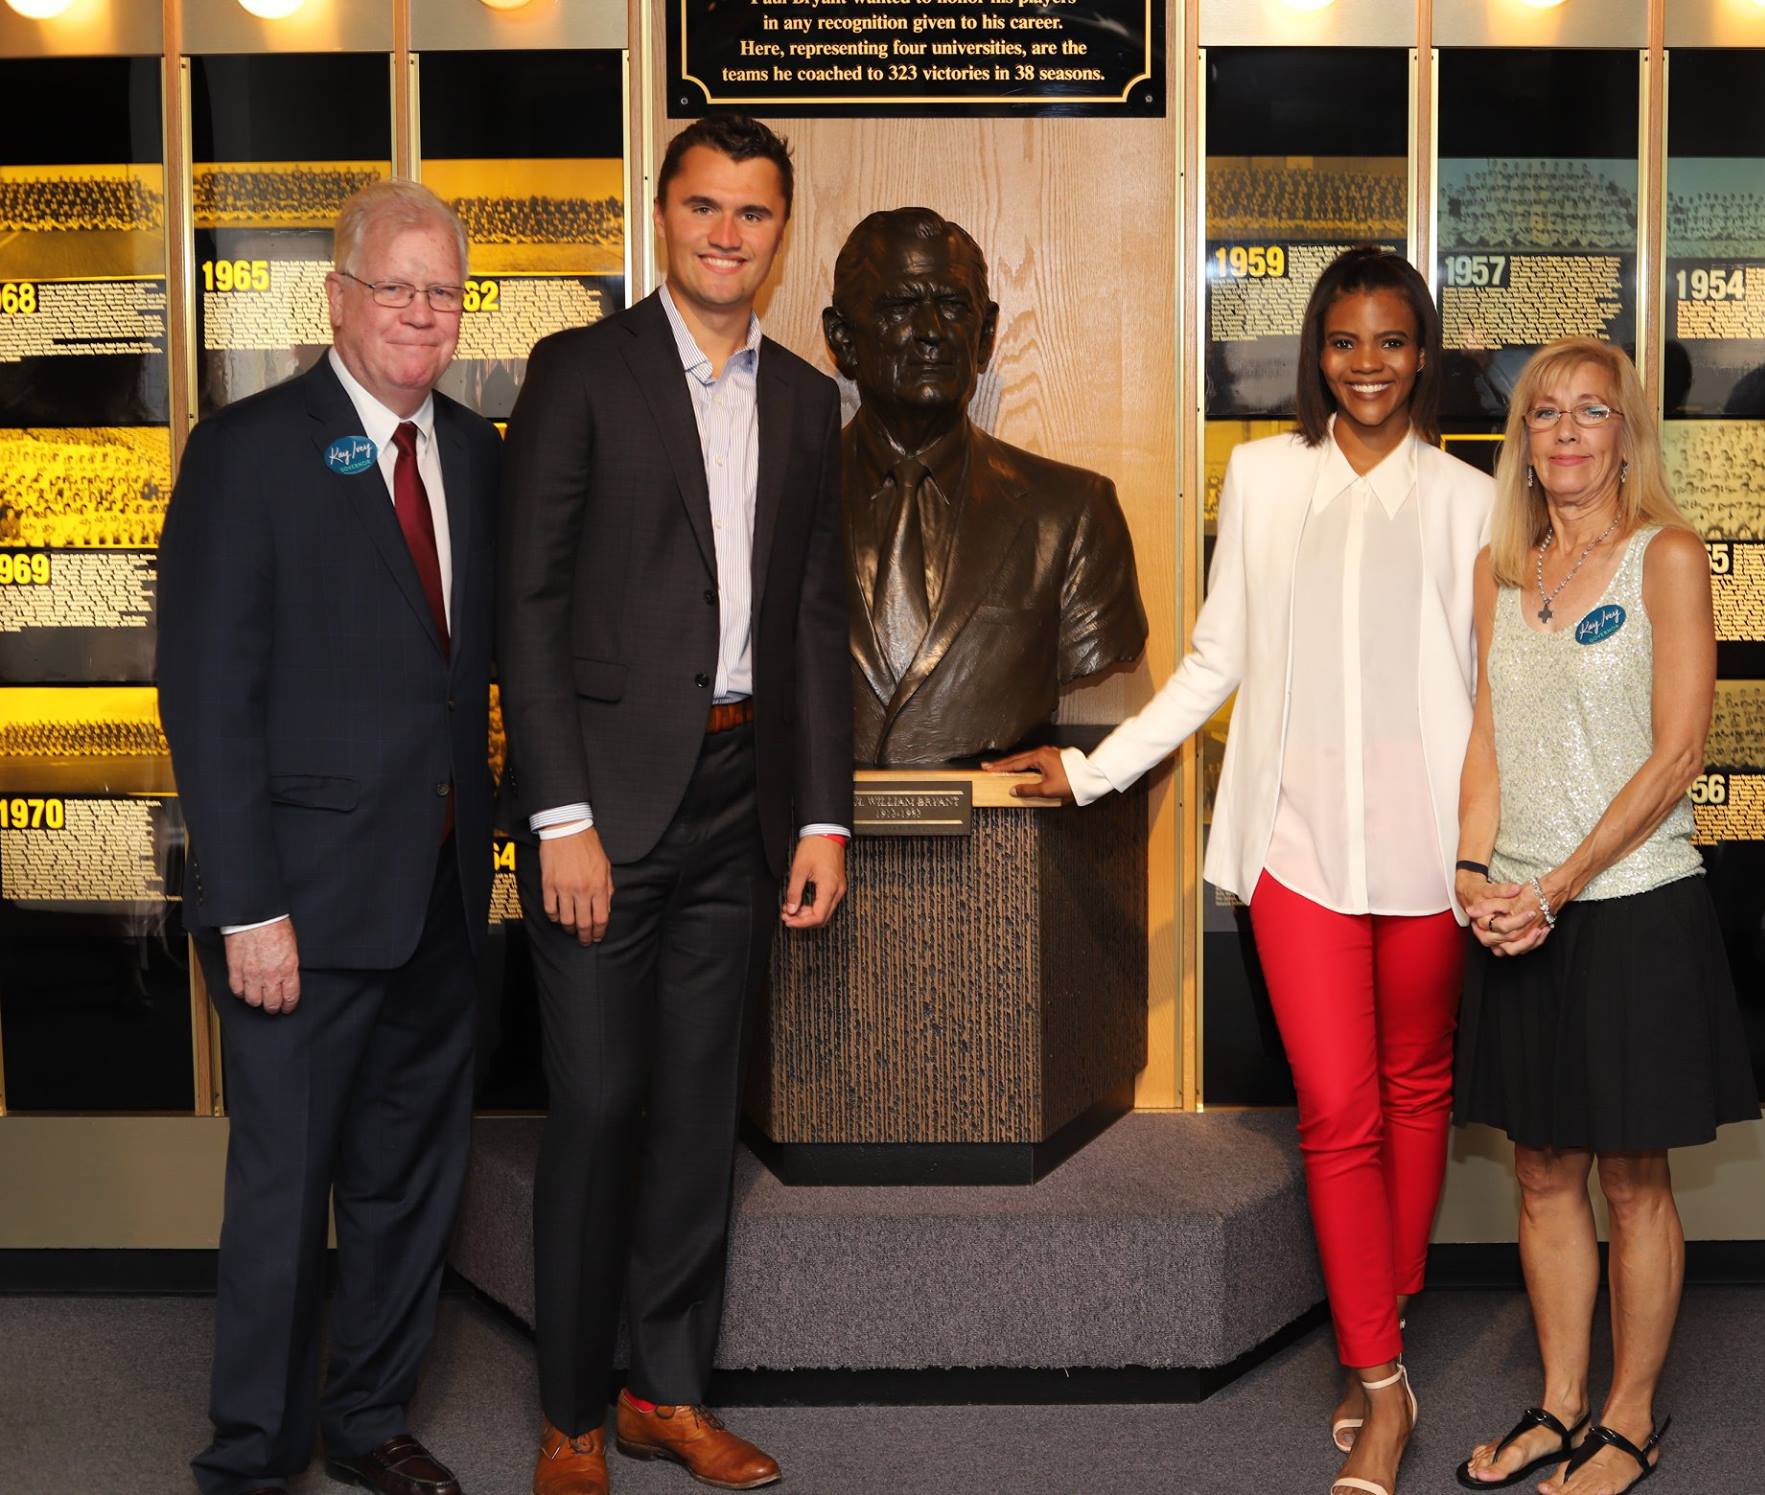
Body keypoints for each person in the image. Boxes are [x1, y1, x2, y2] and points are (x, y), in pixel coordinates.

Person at [990, 248, 1492, 1495]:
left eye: (1389, 341)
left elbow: (1492, 692)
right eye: (1344, 340)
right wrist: (1092, 768)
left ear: (1421, 355)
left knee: (1416, 1089)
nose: (1366, 363)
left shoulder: (1471, 500)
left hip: (1433, 852)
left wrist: (1501, 850)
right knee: (1336, 1110)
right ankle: (1381, 1384)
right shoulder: (1264, 478)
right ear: (1314, 353)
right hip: (1295, 846)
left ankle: (1378, 1324)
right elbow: (1214, 661)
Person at [497, 115, 852, 1495]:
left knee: (701, 1116)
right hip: (604, 806)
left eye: (752, 213)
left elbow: (811, 615)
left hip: (741, 799)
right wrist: (559, 814)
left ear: (780, 232)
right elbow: (528, 605)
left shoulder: (808, 399)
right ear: (662, 216)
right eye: (704, 206)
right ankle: (571, 1414)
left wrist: (820, 815)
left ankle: (663, 1391)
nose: (726, 233)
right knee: (597, 1106)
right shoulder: (579, 370)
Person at [158, 179, 499, 1495]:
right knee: (283, 1191)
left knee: (408, 1184)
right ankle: (252, 1451)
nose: (421, 311)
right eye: (395, 285)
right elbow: (207, 692)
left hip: (438, 896)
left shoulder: (474, 451)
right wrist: (247, 904)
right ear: (337, 297)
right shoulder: (247, 451)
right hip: (293, 909)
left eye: (443, 290)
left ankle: (367, 1420)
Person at [1451, 338, 1760, 1495]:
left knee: (1631, 1182)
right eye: (1545, 413)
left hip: (1629, 906)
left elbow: (1676, 754)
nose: (1567, 431)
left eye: (1591, 411)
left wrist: (1559, 883)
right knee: (1540, 1172)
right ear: (1522, 441)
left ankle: (1628, 1419)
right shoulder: (1498, 570)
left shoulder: (1662, 555)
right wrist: (1472, 871)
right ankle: (1560, 1401)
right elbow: (1486, 738)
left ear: (1626, 433)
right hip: (1516, 910)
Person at [824, 205, 1147, 765]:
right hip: (820, 818)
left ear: (986, 333)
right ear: (844, 338)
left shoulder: (1073, 516)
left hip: (1003, 814)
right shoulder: (773, 503)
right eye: (900, 307)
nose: (932, 332)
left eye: (953, 306)